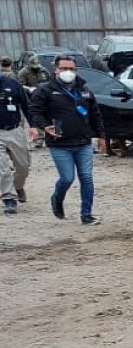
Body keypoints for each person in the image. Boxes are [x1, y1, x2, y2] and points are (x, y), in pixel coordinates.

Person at [29, 55, 104, 226]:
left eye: (71, 69)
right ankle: (57, 198)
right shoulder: (46, 90)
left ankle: (87, 214)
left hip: (83, 142)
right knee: (67, 178)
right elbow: (35, 111)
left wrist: (101, 136)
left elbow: (95, 114)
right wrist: (44, 126)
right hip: (60, 144)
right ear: (55, 70)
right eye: (64, 68)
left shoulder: (84, 90)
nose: (68, 72)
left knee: (86, 177)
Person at [0, 71, 31, 215]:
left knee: (23, 167)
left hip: (14, 130)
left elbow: (26, 105)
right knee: (3, 169)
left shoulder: (12, 84)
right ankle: (9, 198)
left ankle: (18, 187)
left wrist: (35, 126)